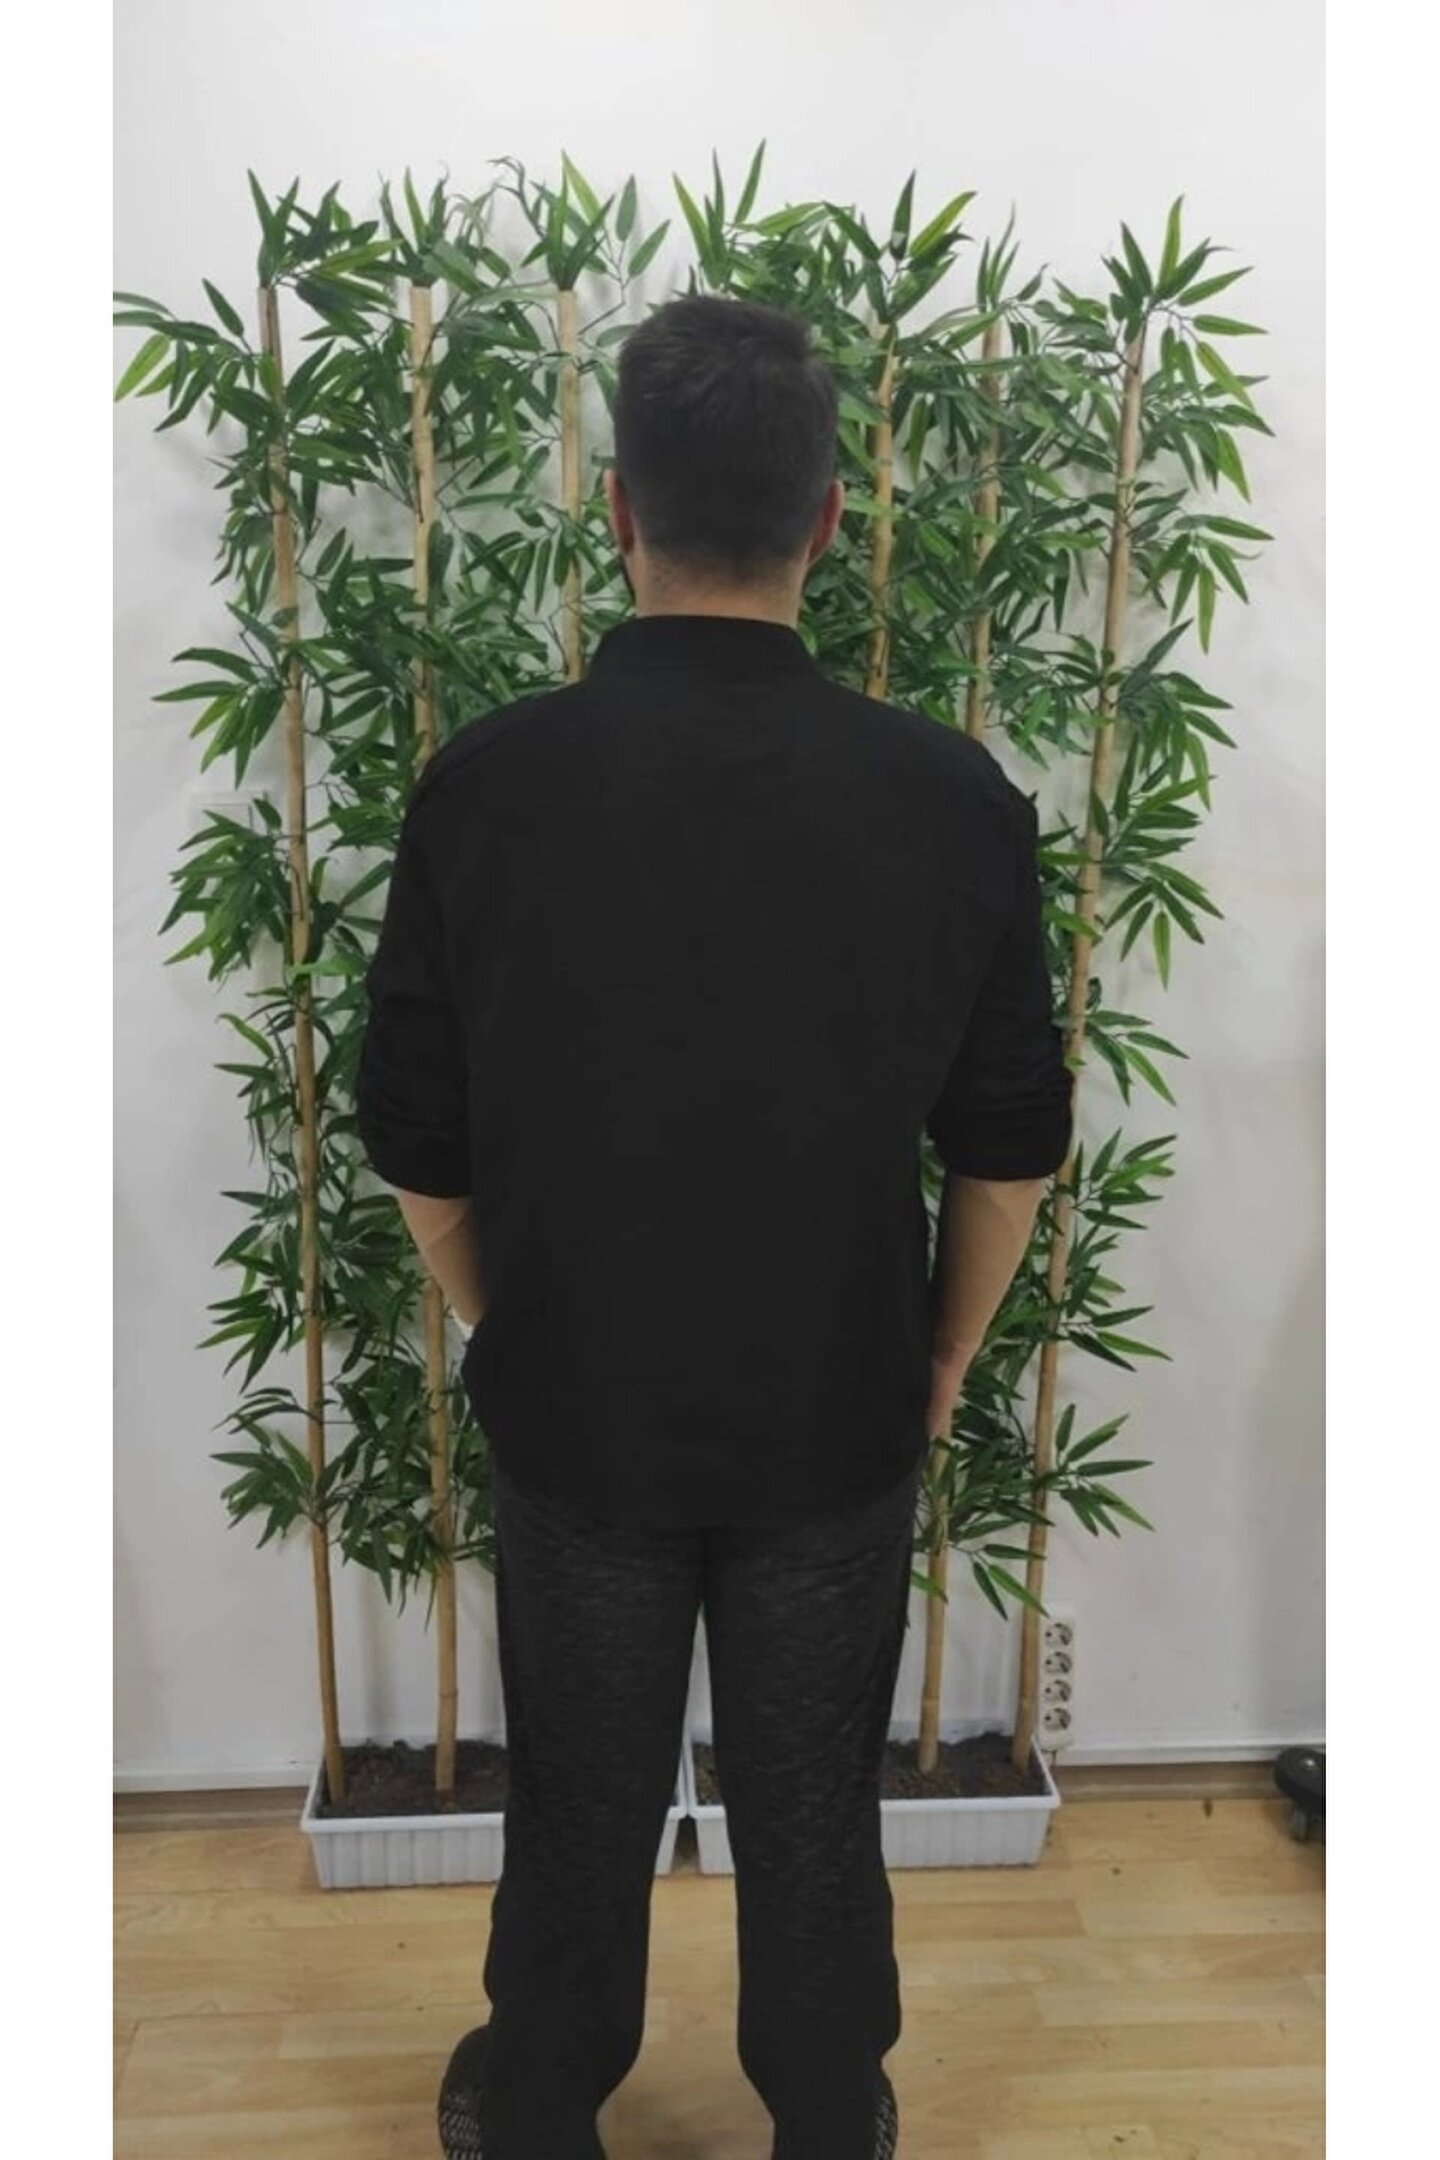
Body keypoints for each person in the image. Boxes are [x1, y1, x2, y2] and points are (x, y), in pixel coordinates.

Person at [356, 293, 1074, 2160]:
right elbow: (1009, 1146)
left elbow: (414, 1132)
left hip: (578, 1401)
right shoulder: (951, 798)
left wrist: (502, 1312)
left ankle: (540, 2103)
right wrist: (940, 1355)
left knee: (578, 1799)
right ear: (829, 516)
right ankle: (828, 2111)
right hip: (834, 1405)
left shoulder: (489, 784)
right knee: (814, 1803)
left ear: (617, 511)